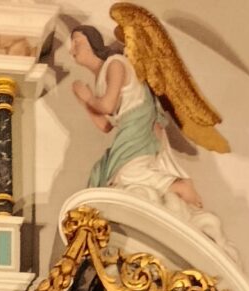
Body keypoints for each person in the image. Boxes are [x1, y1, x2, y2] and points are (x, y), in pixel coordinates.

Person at [65, 18, 225, 240]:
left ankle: (180, 186)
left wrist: (88, 97)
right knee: (104, 174)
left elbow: (107, 105)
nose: (72, 49)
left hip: (138, 121)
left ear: (93, 43)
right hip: (126, 126)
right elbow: (105, 125)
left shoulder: (115, 64)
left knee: (129, 174)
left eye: (77, 42)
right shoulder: (99, 77)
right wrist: (85, 101)